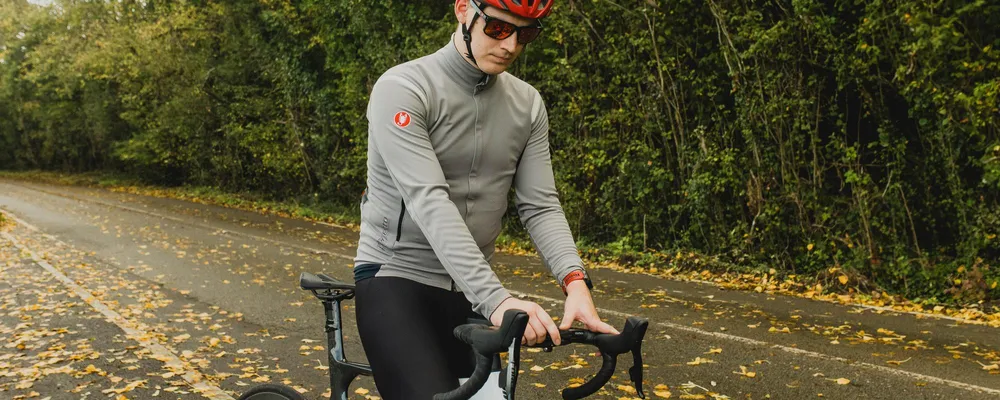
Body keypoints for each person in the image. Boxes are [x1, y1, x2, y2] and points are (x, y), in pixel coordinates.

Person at [352, 0, 617, 398]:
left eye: (524, 33)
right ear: (463, 9)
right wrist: (499, 301)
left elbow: (540, 205)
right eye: (497, 28)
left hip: (469, 293)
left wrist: (576, 284)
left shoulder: (527, 104)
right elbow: (429, 201)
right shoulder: (403, 88)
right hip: (396, 277)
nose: (510, 45)